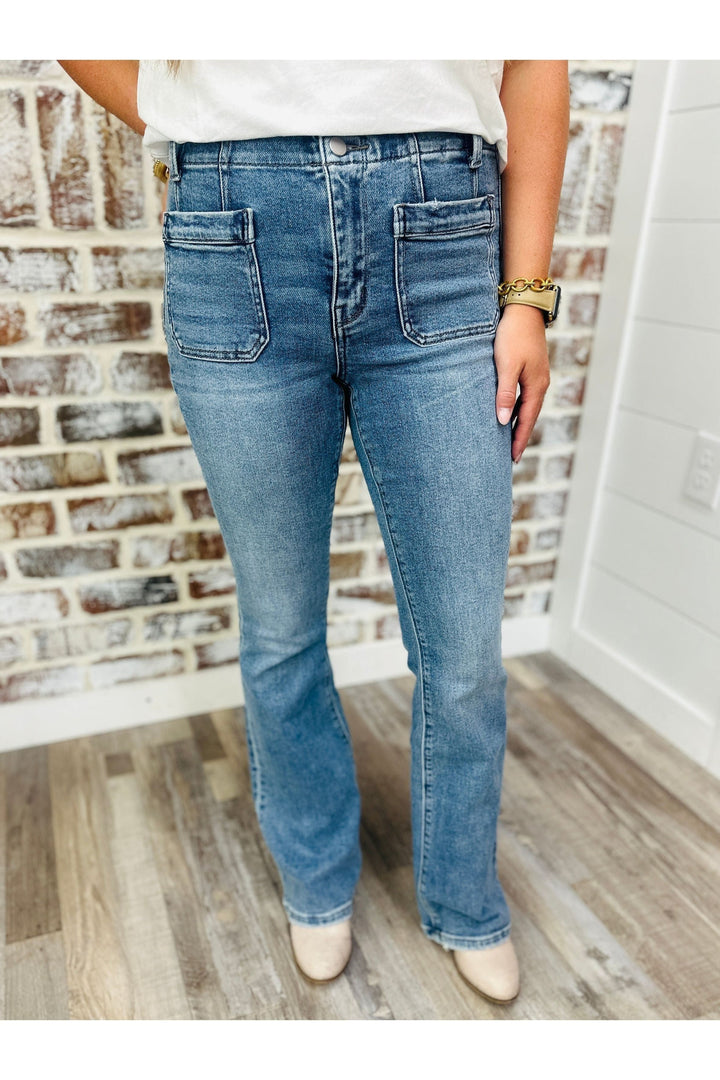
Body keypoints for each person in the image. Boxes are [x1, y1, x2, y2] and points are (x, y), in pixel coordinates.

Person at [58, 59, 569, 1006]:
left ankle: (464, 898)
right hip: (234, 224)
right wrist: (176, 108)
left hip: (443, 231)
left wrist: (527, 294)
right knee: (282, 622)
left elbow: (538, 54)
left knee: (463, 648)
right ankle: (316, 880)